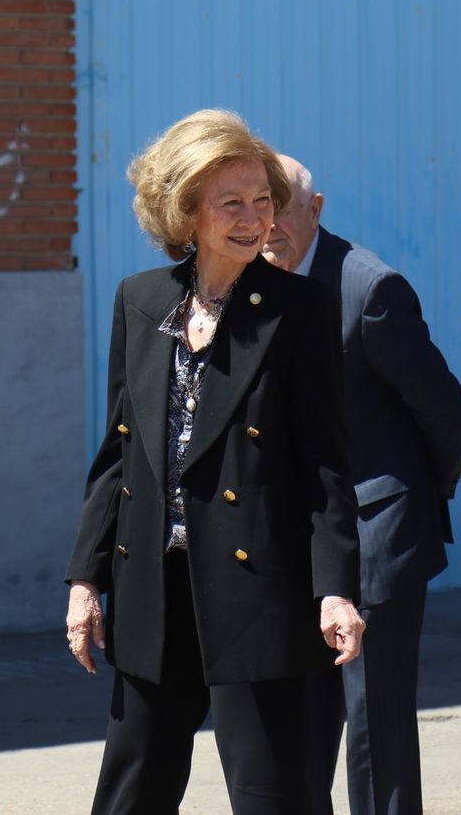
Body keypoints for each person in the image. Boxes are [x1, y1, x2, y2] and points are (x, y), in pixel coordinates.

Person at [63, 110, 363, 815]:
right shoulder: (141, 301)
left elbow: (326, 461)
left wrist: (336, 587)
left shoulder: (298, 309)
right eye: (232, 203)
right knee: (130, 795)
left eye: (264, 201)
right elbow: (119, 450)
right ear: (186, 210)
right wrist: (86, 576)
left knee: (274, 796)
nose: (254, 218)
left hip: (257, 594)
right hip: (152, 592)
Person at [261, 155, 461, 815]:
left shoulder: (369, 288)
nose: (267, 225)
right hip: (293, 544)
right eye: (254, 206)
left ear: (315, 207)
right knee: (297, 726)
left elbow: (443, 409)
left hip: (376, 535)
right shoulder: (246, 284)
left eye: (281, 206)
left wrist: (410, 500)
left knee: (372, 724)